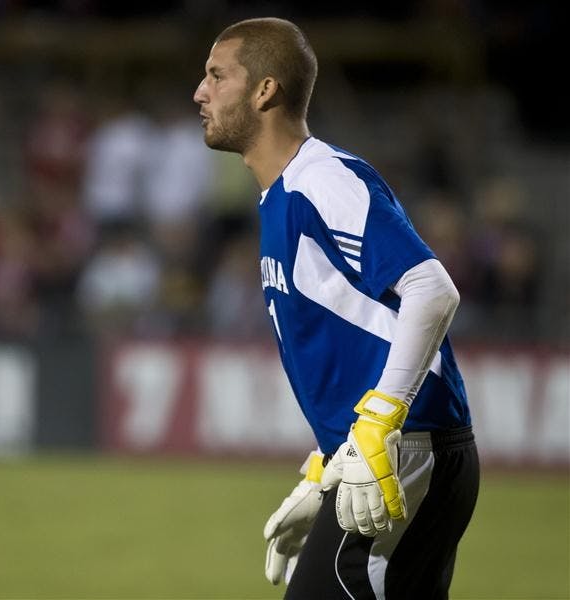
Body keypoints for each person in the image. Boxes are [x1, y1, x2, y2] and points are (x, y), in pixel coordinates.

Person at [193, 18, 478, 599]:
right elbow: (366, 325)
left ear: (264, 90)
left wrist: (378, 422)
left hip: (405, 449)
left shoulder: (319, 180)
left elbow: (431, 289)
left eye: (217, 76)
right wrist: (330, 463)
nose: (200, 91)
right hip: (404, 448)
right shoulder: (283, 194)